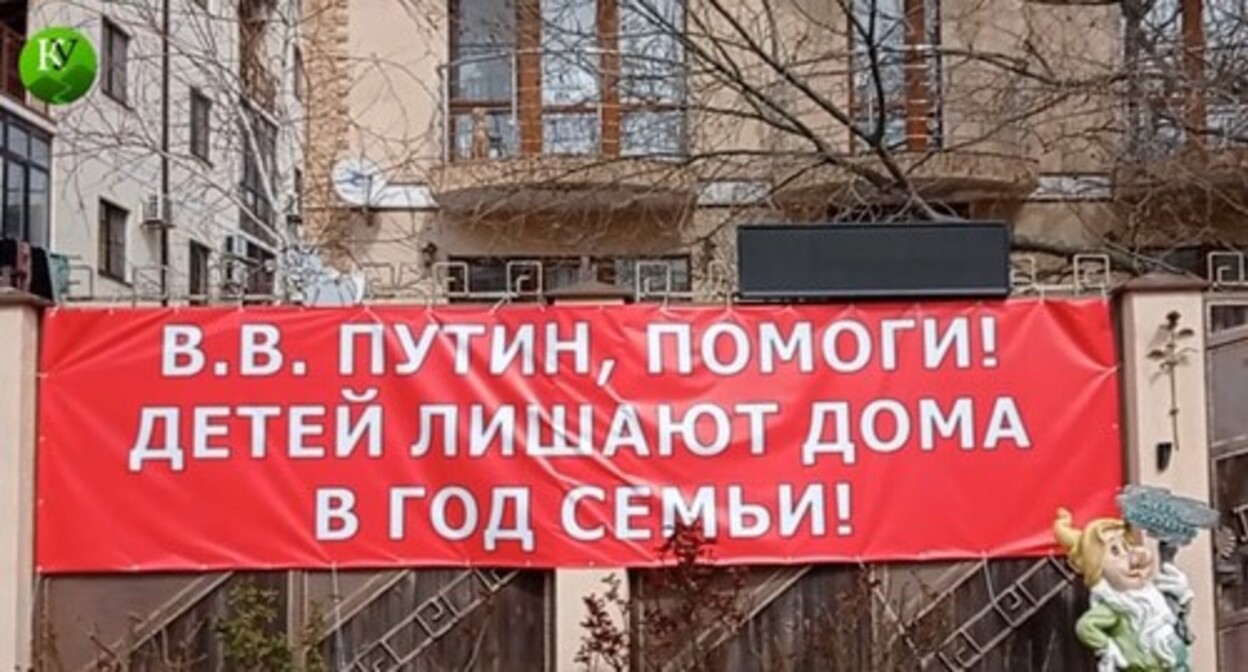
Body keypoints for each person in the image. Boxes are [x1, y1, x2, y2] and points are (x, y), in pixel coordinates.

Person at [1053, 508, 1194, 672]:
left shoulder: (1152, 596)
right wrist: (1107, 647)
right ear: (1099, 570)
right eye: (1115, 551)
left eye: (1127, 547)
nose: (1132, 558)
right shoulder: (1116, 607)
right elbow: (1085, 627)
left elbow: (1177, 621)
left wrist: (1183, 596)